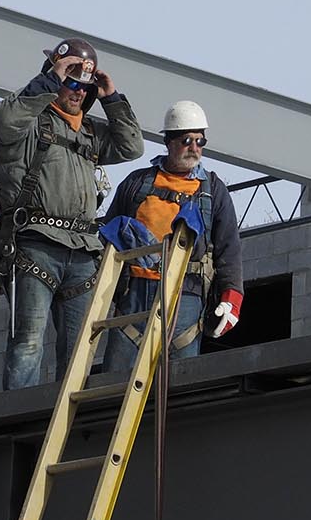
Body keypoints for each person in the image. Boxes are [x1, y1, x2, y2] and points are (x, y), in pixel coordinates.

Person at [0, 37, 144, 389]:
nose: (76, 91)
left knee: (79, 353)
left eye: (83, 86)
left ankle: (69, 422)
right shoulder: (27, 125)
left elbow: (131, 146)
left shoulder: (89, 131)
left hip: (83, 251)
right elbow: (4, 119)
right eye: (70, 82)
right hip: (35, 245)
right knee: (28, 343)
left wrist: (112, 99)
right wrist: (49, 79)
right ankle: (16, 417)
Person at [100, 100, 244, 373]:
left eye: (200, 141)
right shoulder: (136, 183)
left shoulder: (213, 190)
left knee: (181, 381)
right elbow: (108, 236)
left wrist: (231, 298)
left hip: (186, 294)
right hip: (134, 294)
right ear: (169, 141)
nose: (194, 148)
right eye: (187, 139)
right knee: (116, 380)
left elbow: (230, 250)